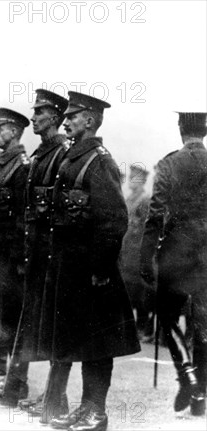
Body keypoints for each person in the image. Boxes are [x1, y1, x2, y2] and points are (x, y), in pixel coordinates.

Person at [45, 92, 139, 431]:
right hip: (71, 270)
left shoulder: (99, 161)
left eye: (73, 116)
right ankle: (86, 408)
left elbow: (114, 221)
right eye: (66, 115)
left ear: (90, 120)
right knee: (82, 341)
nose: (65, 120)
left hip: (93, 273)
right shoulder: (72, 157)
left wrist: (100, 270)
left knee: (98, 345)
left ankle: (96, 410)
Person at [9, 89, 71, 422]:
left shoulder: (60, 152)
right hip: (38, 251)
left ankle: (54, 398)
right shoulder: (42, 153)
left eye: (40, 113)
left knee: (54, 325)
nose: (33, 117)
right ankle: (47, 395)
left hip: (52, 253)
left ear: (56, 118)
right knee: (41, 324)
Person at [140, 112, 207, 417]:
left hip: (177, 251)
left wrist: (145, 256)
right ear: (205, 130)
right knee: (204, 323)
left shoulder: (168, 164)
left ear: (181, 128)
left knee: (167, 318)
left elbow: (154, 215)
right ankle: (201, 392)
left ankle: (187, 374)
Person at [0, 107, 31, 401]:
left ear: (13, 132)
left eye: (0, 129)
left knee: (10, 317)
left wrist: (20, 258)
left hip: (11, 257)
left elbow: (24, 217)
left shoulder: (21, 166)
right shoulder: (3, 164)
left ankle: (10, 379)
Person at [120, 164, 153, 342]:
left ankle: (143, 328)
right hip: (128, 251)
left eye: (135, 177)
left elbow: (145, 228)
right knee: (129, 290)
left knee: (140, 292)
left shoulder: (144, 200)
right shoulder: (131, 198)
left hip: (137, 251)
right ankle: (134, 327)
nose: (131, 180)